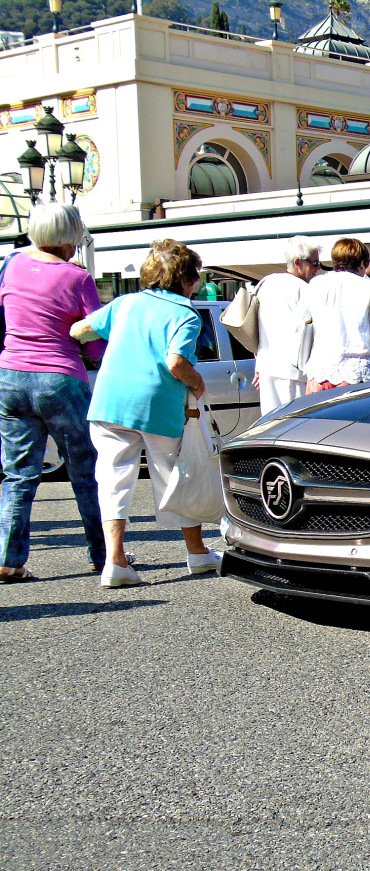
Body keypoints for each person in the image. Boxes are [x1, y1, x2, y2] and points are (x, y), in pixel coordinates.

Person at [69, 239, 220, 588]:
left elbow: (80, 330)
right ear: (185, 279)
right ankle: (197, 553)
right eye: (195, 276)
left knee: (112, 478)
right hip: (157, 404)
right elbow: (176, 362)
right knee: (174, 475)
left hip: (110, 400)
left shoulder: (124, 304)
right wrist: (197, 384)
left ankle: (115, 560)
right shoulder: (185, 313)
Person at [0, 203, 106, 583]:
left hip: (11, 374)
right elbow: (93, 339)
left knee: (18, 474)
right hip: (59, 376)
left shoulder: (10, 264)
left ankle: (9, 559)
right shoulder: (77, 278)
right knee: (85, 471)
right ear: (70, 237)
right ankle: (102, 553)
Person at [303, 237, 370, 391]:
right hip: (358, 375)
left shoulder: (316, 284)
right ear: (363, 263)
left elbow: (307, 323)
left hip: (320, 373)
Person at [253, 235, 322, 415]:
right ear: (298, 262)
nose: (318, 268)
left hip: (267, 367)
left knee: (271, 426)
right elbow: (313, 333)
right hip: (293, 372)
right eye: (314, 263)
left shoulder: (266, 283)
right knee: (294, 427)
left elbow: (254, 327)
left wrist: (258, 362)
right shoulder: (305, 290)